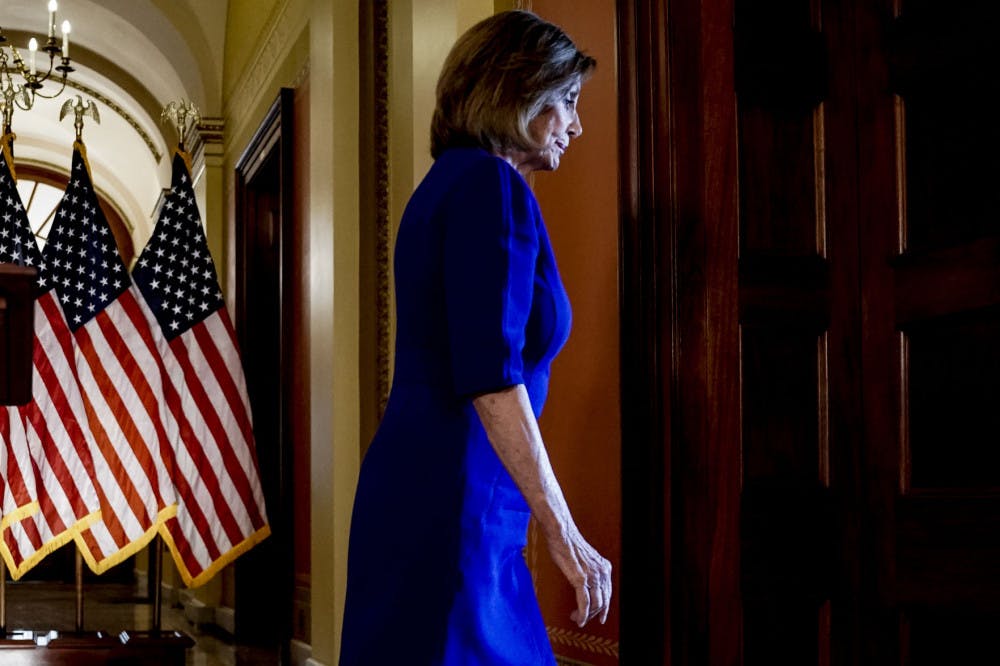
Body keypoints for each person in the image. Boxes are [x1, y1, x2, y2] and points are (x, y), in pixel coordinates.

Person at [340, 10, 612, 665]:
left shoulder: (446, 185)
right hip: (456, 498)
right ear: (519, 91)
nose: (576, 124)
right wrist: (564, 529)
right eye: (568, 101)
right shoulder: (490, 186)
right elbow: (490, 373)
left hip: (436, 491)